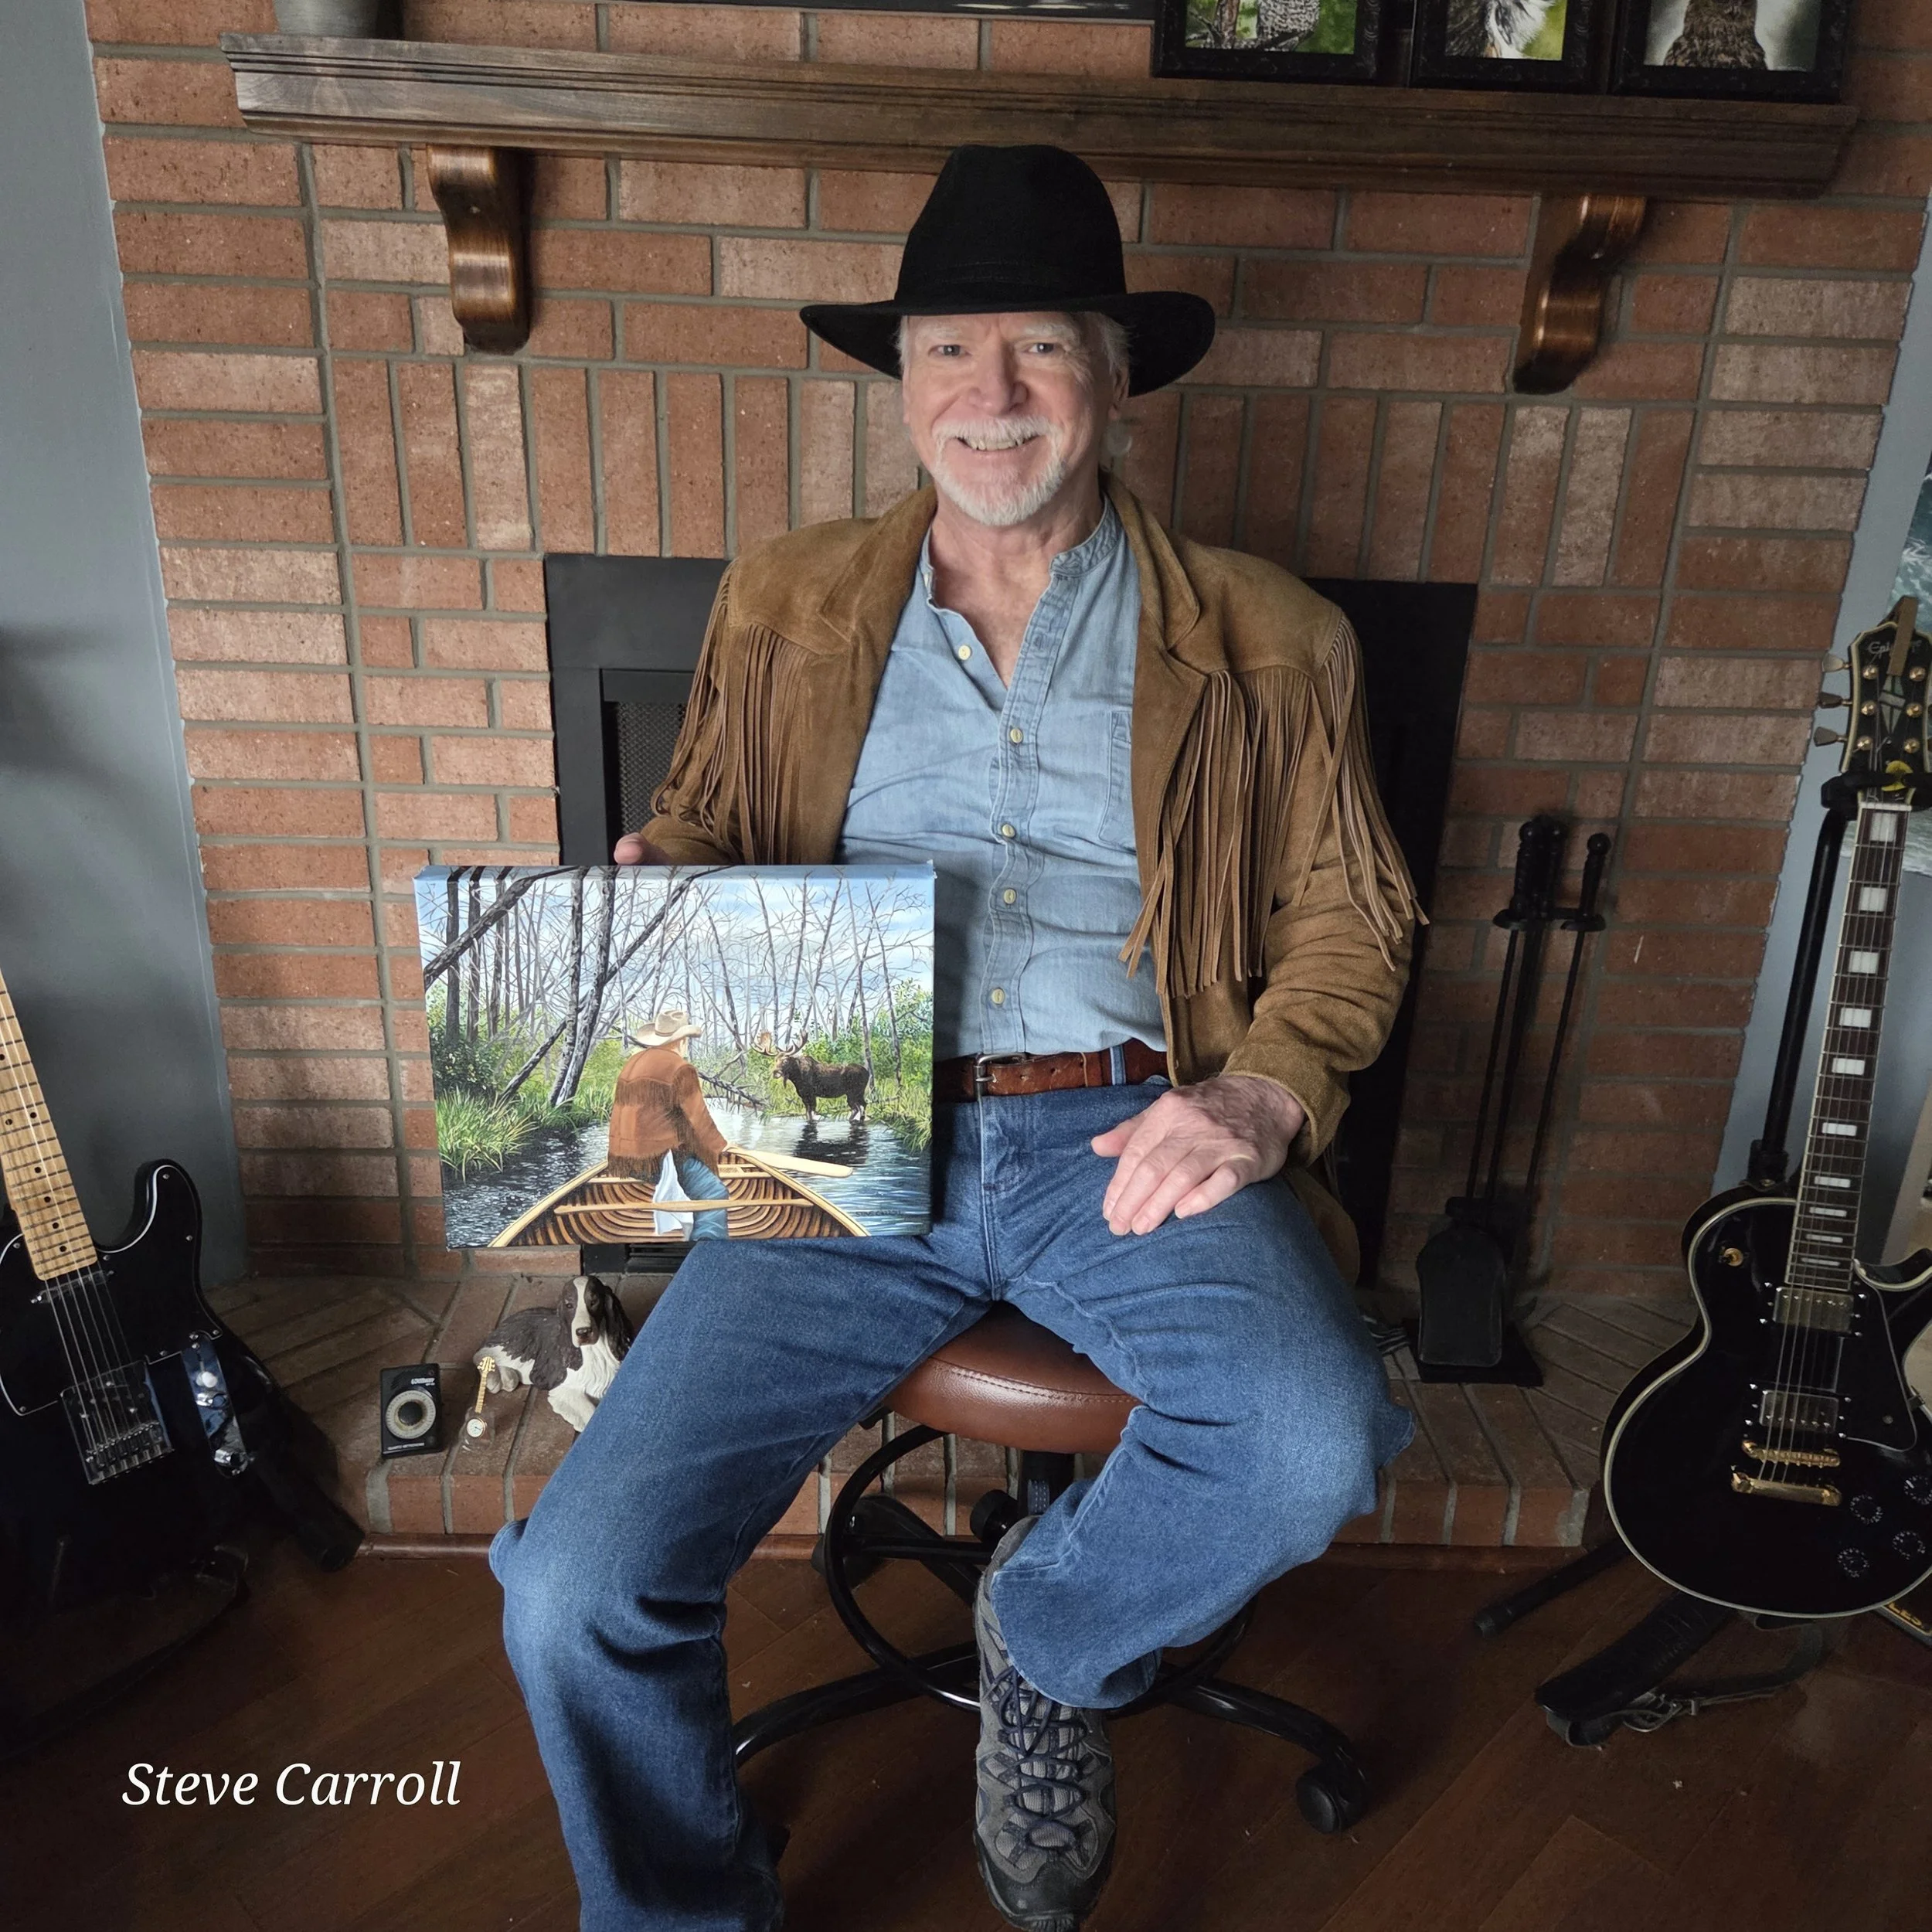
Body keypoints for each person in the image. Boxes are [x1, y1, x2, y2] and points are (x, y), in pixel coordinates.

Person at [492, 144, 1420, 1932]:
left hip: (1126, 1123)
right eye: (946, 354)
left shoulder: (1270, 638)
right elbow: (698, 819)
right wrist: (652, 886)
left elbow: (1353, 912)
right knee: (572, 1588)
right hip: (827, 1111)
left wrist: (1258, 1090)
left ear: (1115, 376)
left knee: (1316, 1438)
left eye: (1040, 351)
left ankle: (1046, 1637)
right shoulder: (788, 600)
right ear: (902, 385)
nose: (991, 398)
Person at [604, 1008, 731, 1240]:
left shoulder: (633, 1062)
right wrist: (722, 1147)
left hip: (623, 1159)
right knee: (715, 1191)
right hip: (656, 1159)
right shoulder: (680, 1068)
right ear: (682, 1041)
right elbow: (699, 1118)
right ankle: (708, 1251)